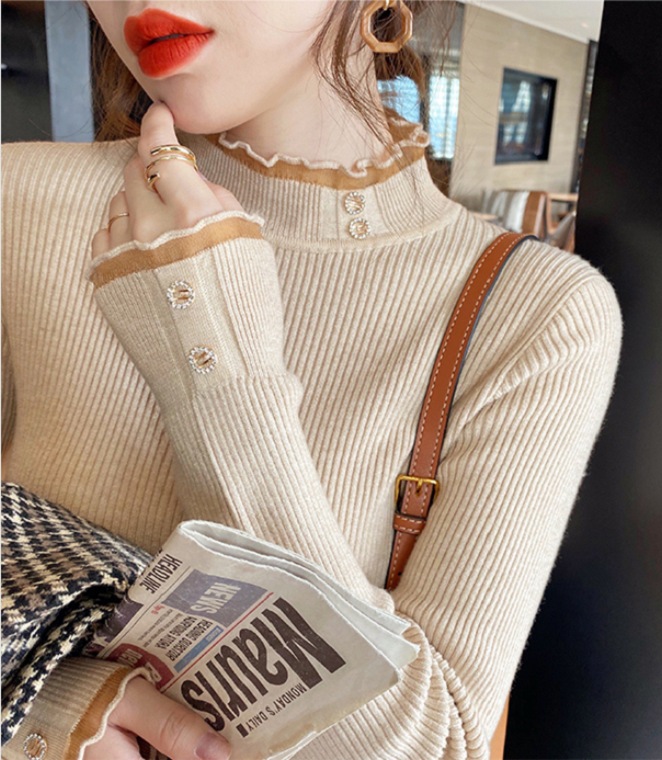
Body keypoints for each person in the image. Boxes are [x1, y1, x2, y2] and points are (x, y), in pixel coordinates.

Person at [1, 1, 623, 758]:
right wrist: (47, 712)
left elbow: (440, 747)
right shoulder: (17, 203)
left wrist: (216, 361)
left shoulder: (533, 312)